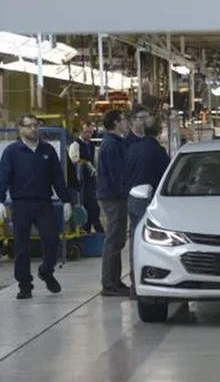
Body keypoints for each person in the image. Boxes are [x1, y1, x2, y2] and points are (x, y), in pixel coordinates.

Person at [0, 114, 73, 299]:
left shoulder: (47, 150)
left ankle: (46, 271)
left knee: (52, 239)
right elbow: (3, 177)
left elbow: (57, 178)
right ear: (20, 129)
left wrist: (67, 200)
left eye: (36, 126)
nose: (33, 129)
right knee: (21, 246)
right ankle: (24, 285)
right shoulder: (12, 152)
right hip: (21, 204)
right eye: (29, 126)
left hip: (43, 203)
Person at [124, 116, 170, 299]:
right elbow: (164, 178)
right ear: (159, 132)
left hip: (132, 197)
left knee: (135, 242)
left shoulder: (133, 148)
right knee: (151, 243)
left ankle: (135, 285)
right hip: (149, 200)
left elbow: (125, 172)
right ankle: (151, 283)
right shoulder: (158, 151)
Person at [97, 109, 131, 297]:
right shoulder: (111, 145)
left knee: (116, 240)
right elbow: (117, 174)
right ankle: (109, 284)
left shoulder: (116, 143)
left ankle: (114, 281)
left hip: (114, 196)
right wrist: (126, 193)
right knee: (113, 240)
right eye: (124, 120)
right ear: (116, 123)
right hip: (113, 197)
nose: (126, 123)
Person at [68, 121, 103, 233]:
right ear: (81, 132)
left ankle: (89, 229)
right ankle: (96, 229)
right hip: (81, 182)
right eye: (86, 132)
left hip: (91, 181)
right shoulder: (76, 145)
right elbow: (74, 159)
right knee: (89, 206)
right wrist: (86, 163)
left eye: (91, 132)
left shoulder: (91, 145)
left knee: (91, 206)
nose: (89, 134)